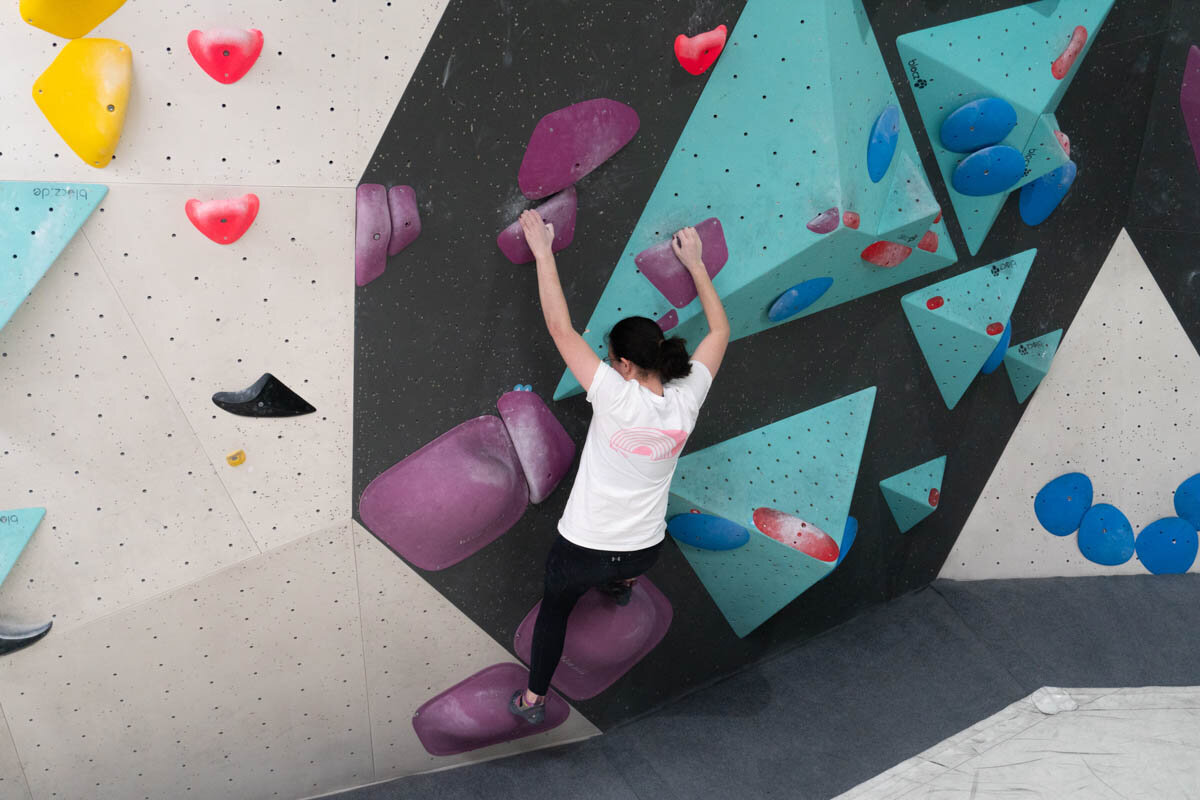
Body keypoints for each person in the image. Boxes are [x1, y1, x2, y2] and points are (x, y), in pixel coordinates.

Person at [509, 210, 730, 723]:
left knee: (555, 613)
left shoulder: (614, 395)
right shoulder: (687, 397)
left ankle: (533, 701)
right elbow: (720, 330)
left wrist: (543, 253)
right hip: (642, 552)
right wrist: (696, 265)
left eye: (611, 360)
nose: (607, 366)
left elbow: (560, 327)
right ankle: (620, 587)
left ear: (625, 366)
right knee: (619, 571)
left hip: (582, 549)